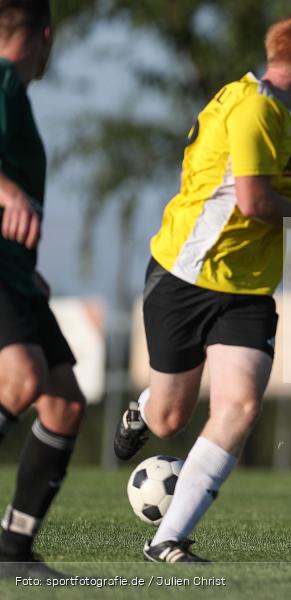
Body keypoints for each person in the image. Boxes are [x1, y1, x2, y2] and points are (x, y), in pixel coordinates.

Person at [112, 15, 291, 563]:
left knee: (240, 407)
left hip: (246, 292)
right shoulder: (253, 109)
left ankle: (166, 540)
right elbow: (254, 204)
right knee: (170, 417)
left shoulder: (269, 108)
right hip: (185, 278)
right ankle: (143, 409)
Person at [0, 0, 85, 578]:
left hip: (14, 272)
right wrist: (5, 188)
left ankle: (12, 551)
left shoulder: (16, 94)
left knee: (63, 402)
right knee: (25, 380)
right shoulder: (2, 79)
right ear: (45, 36)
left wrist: (26, 263)